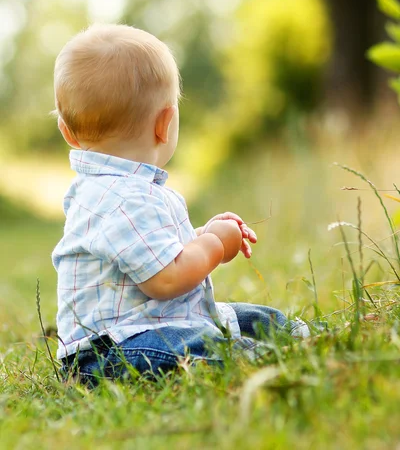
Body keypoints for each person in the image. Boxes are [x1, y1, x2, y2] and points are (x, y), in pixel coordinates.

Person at [52, 24, 309, 385]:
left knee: (245, 316)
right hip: (108, 354)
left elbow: (158, 251)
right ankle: (258, 356)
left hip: (147, 329)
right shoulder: (124, 197)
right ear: (165, 123)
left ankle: (303, 335)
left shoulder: (122, 189)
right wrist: (215, 244)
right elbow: (167, 277)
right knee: (197, 344)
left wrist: (203, 232)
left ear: (67, 132)